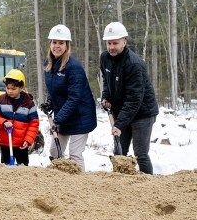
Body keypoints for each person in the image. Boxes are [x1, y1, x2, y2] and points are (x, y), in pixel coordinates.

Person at [100, 21, 159, 175]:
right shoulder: (104, 58)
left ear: (124, 42)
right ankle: (120, 186)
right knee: (119, 153)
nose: (111, 47)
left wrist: (119, 124)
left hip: (142, 113)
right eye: (109, 43)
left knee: (140, 154)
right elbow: (106, 80)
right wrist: (106, 97)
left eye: (115, 43)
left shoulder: (134, 64)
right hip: (123, 111)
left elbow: (134, 99)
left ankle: (149, 185)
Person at [43, 24, 98, 171]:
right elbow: (53, 89)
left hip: (80, 116)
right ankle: (60, 180)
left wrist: (58, 119)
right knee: (55, 152)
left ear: (67, 45)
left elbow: (74, 98)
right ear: (50, 44)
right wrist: (49, 102)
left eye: (61, 43)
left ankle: (79, 185)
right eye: (54, 42)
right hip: (63, 116)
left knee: (75, 154)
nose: (57, 46)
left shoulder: (73, 67)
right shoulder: (48, 64)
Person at [0, 69, 39, 166]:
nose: (10, 91)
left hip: (21, 144)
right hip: (5, 142)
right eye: (8, 88)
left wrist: (28, 140)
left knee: (23, 168)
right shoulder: (1, 100)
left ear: (21, 88)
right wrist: (3, 122)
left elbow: (34, 123)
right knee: (5, 168)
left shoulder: (29, 103)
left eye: (13, 89)